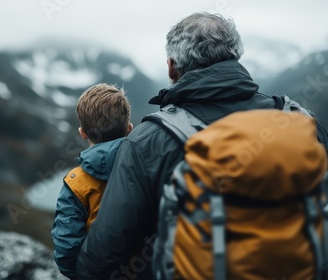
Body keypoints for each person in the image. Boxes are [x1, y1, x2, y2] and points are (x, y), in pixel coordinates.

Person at [76, 12, 328, 279]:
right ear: (235, 57)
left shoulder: (149, 139)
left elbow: (108, 248)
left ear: (172, 67)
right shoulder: (301, 122)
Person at [51, 83, 133, 279]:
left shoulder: (76, 182)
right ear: (130, 129)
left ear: (83, 133)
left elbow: (66, 246)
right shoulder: (147, 165)